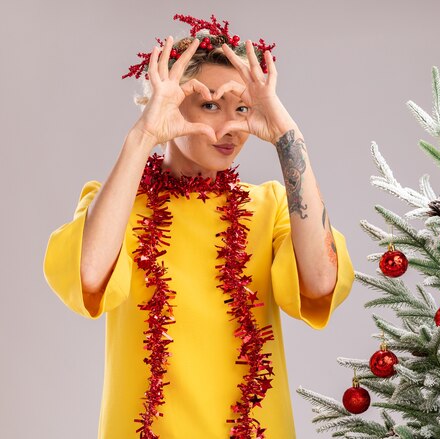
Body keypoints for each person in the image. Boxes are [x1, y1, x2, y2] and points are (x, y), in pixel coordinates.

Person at [43, 14, 354, 439]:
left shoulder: (270, 205)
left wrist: (287, 135)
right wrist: (144, 135)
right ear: (172, 104)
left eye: (242, 108)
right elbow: (87, 275)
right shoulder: (118, 204)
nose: (229, 127)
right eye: (210, 104)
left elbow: (320, 282)